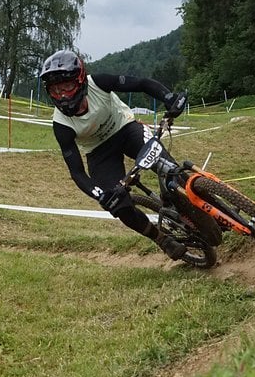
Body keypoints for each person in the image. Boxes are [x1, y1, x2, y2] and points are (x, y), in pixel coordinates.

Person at [39, 49, 190, 260]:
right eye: (55, 91)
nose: (63, 95)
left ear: (80, 80)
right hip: (99, 153)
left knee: (168, 166)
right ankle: (162, 239)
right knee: (118, 206)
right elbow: (77, 173)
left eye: (67, 87)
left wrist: (169, 97)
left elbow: (142, 84)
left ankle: (194, 201)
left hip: (126, 129)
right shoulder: (61, 125)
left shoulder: (99, 82)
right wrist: (99, 194)